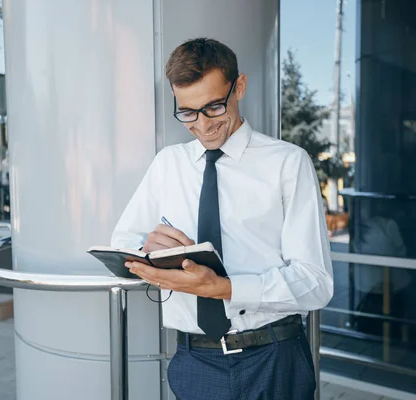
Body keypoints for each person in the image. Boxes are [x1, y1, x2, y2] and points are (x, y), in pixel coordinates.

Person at [111, 38, 333, 400]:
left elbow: (316, 283)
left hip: (274, 358)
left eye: (214, 107)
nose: (202, 125)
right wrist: (147, 249)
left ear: (239, 87)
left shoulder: (287, 163)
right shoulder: (168, 164)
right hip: (195, 361)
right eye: (187, 112)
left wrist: (226, 288)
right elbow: (125, 242)